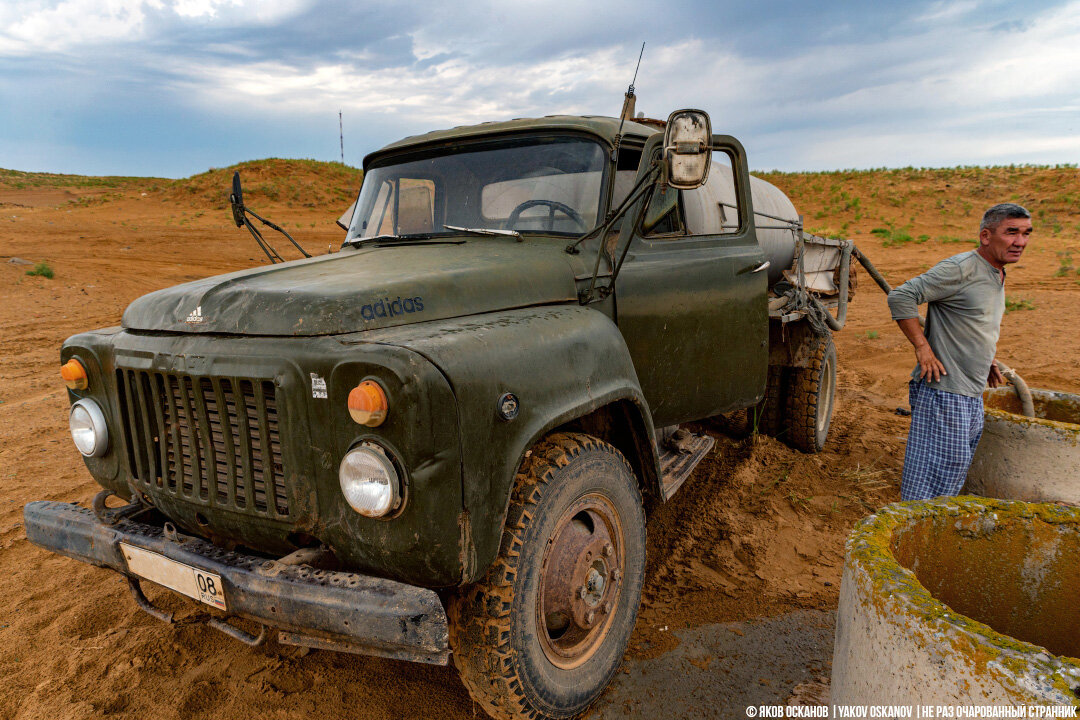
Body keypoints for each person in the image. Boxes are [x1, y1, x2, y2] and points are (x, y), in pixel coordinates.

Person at [887, 203, 1033, 501]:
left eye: (1026, 233)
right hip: (944, 389)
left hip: (971, 389)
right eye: (1011, 233)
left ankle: (930, 531)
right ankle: (913, 533)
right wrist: (922, 348)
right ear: (986, 235)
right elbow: (901, 296)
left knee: (953, 469)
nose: (1020, 242)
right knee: (931, 475)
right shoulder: (961, 268)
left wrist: (986, 359)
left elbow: (974, 322)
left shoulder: (997, 272)